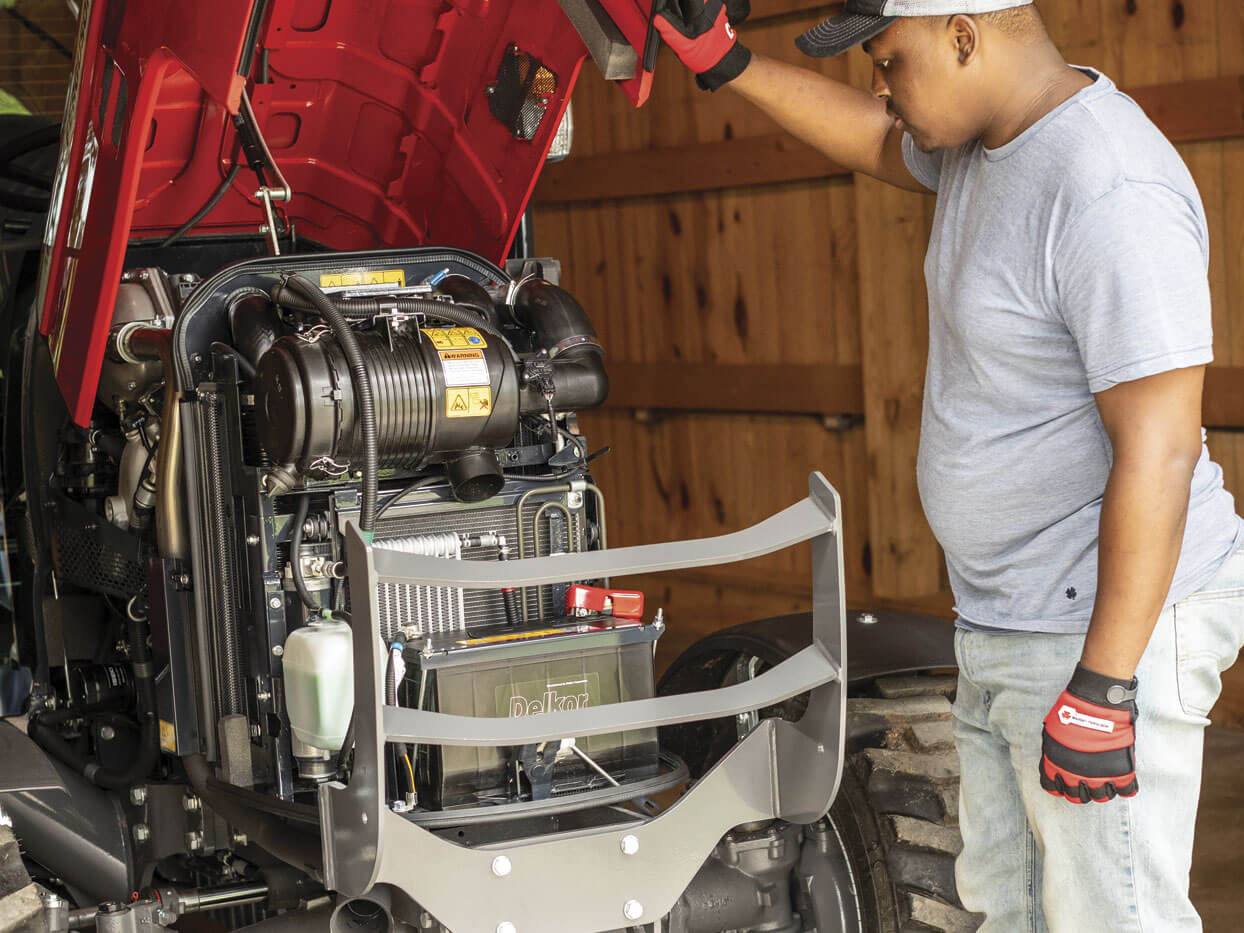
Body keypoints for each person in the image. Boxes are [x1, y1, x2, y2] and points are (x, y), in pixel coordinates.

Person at [654, 1, 1244, 929]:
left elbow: (1161, 447)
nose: (879, 87)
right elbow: (867, 138)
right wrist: (727, 63)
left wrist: (1105, 687)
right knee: (1004, 906)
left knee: (1109, 914)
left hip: (1103, 626)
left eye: (890, 61)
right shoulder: (986, 140)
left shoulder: (1109, 187)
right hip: (1009, 616)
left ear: (963, 37)